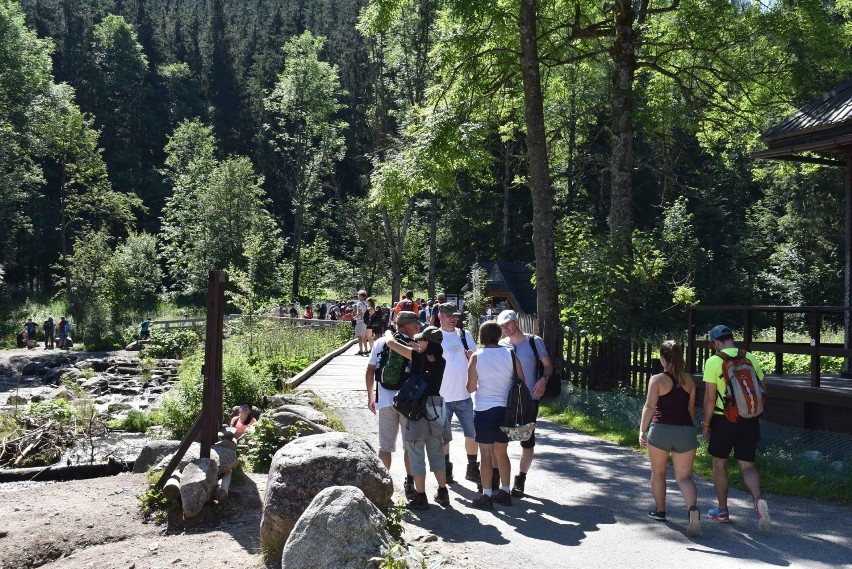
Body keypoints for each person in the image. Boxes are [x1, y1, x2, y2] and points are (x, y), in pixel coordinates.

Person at [702, 324, 771, 532]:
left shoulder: (714, 361)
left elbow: (709, 398)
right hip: (749, 419)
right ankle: (759, 502)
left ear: (716, 343)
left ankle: (723, 511)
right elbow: (763, 389)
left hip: (725, 419)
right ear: (731, 338)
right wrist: (756, 414)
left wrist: (706, 424)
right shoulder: (750, 357)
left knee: (719, 463)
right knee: (748, 465)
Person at [384, 325, 450, 510]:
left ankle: (420, 496)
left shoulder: (417, 357)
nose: (418, 342)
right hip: (435, 408)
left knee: (416, 452)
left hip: (418, 408)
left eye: (421, 340)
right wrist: (414, 343)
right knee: (436, 452)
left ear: (427, 343)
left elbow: (390, 343)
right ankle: (443, 492)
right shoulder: (441, 361)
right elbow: (418, 347)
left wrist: (389, 331)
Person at [639, 340, 701, 537]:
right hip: (685, 431)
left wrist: (642, 430)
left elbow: (649, 406)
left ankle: (660, 511)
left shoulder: (657, 380)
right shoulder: (689, 380)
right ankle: (693, 510)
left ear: (662, 358)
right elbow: (691, 411)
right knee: (684, 477)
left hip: (660, 431)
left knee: (658, 472)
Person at [466, 320, 524, 510]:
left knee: (486, 453)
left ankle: (487, 495)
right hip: (505, 410)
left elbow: (471, 387)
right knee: (502, 452)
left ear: (482, 336)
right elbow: (521, 380)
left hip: (484, 410)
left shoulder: (476, 356)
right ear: (499, 336)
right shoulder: (510, 354)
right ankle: (505, 492)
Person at [496, 309, 554, 497]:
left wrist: (543, 380)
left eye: (508, 323)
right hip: (506, 400)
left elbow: (548, 366)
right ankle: (498, 479)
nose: (506, 328)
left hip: (529, 399)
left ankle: (520, 479)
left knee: (527, 440)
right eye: (503, 326)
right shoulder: (501, 345)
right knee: (500, 440)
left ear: (517, 321)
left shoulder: (533, 341)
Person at [365, 311, 421, 500]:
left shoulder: (381, 343)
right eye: (416, 324)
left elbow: (370, 370)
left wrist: (370, 396)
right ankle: (410, 484)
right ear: (407, 327)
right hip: (408, 402)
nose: (419, 328)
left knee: (385, 447)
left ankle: (383, 485)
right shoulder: (416, 345)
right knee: (409, 446)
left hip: (385, 401)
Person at [437, 302, 479, 485]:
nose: (453, 319)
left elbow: (477, 360)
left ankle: (472, 468)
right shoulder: (434, 337)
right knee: (444, 437)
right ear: (440, 316)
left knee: (473, 433)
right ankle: (446, 470)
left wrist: (471, 357)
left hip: (464, 396)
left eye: (455, 316)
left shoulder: (464, 335)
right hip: (442, 396)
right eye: (448, 315)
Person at [354, 290, 369, 355]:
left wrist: (354, 317)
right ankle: (366, 350)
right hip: (365, 321)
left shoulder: (359, 303)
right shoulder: (366, 303)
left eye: (358, 295)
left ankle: (361, 351)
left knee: (359, 337)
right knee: (363, 337)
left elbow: (359, 313)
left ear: (360, 296)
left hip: (360, 321)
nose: (358, 296)